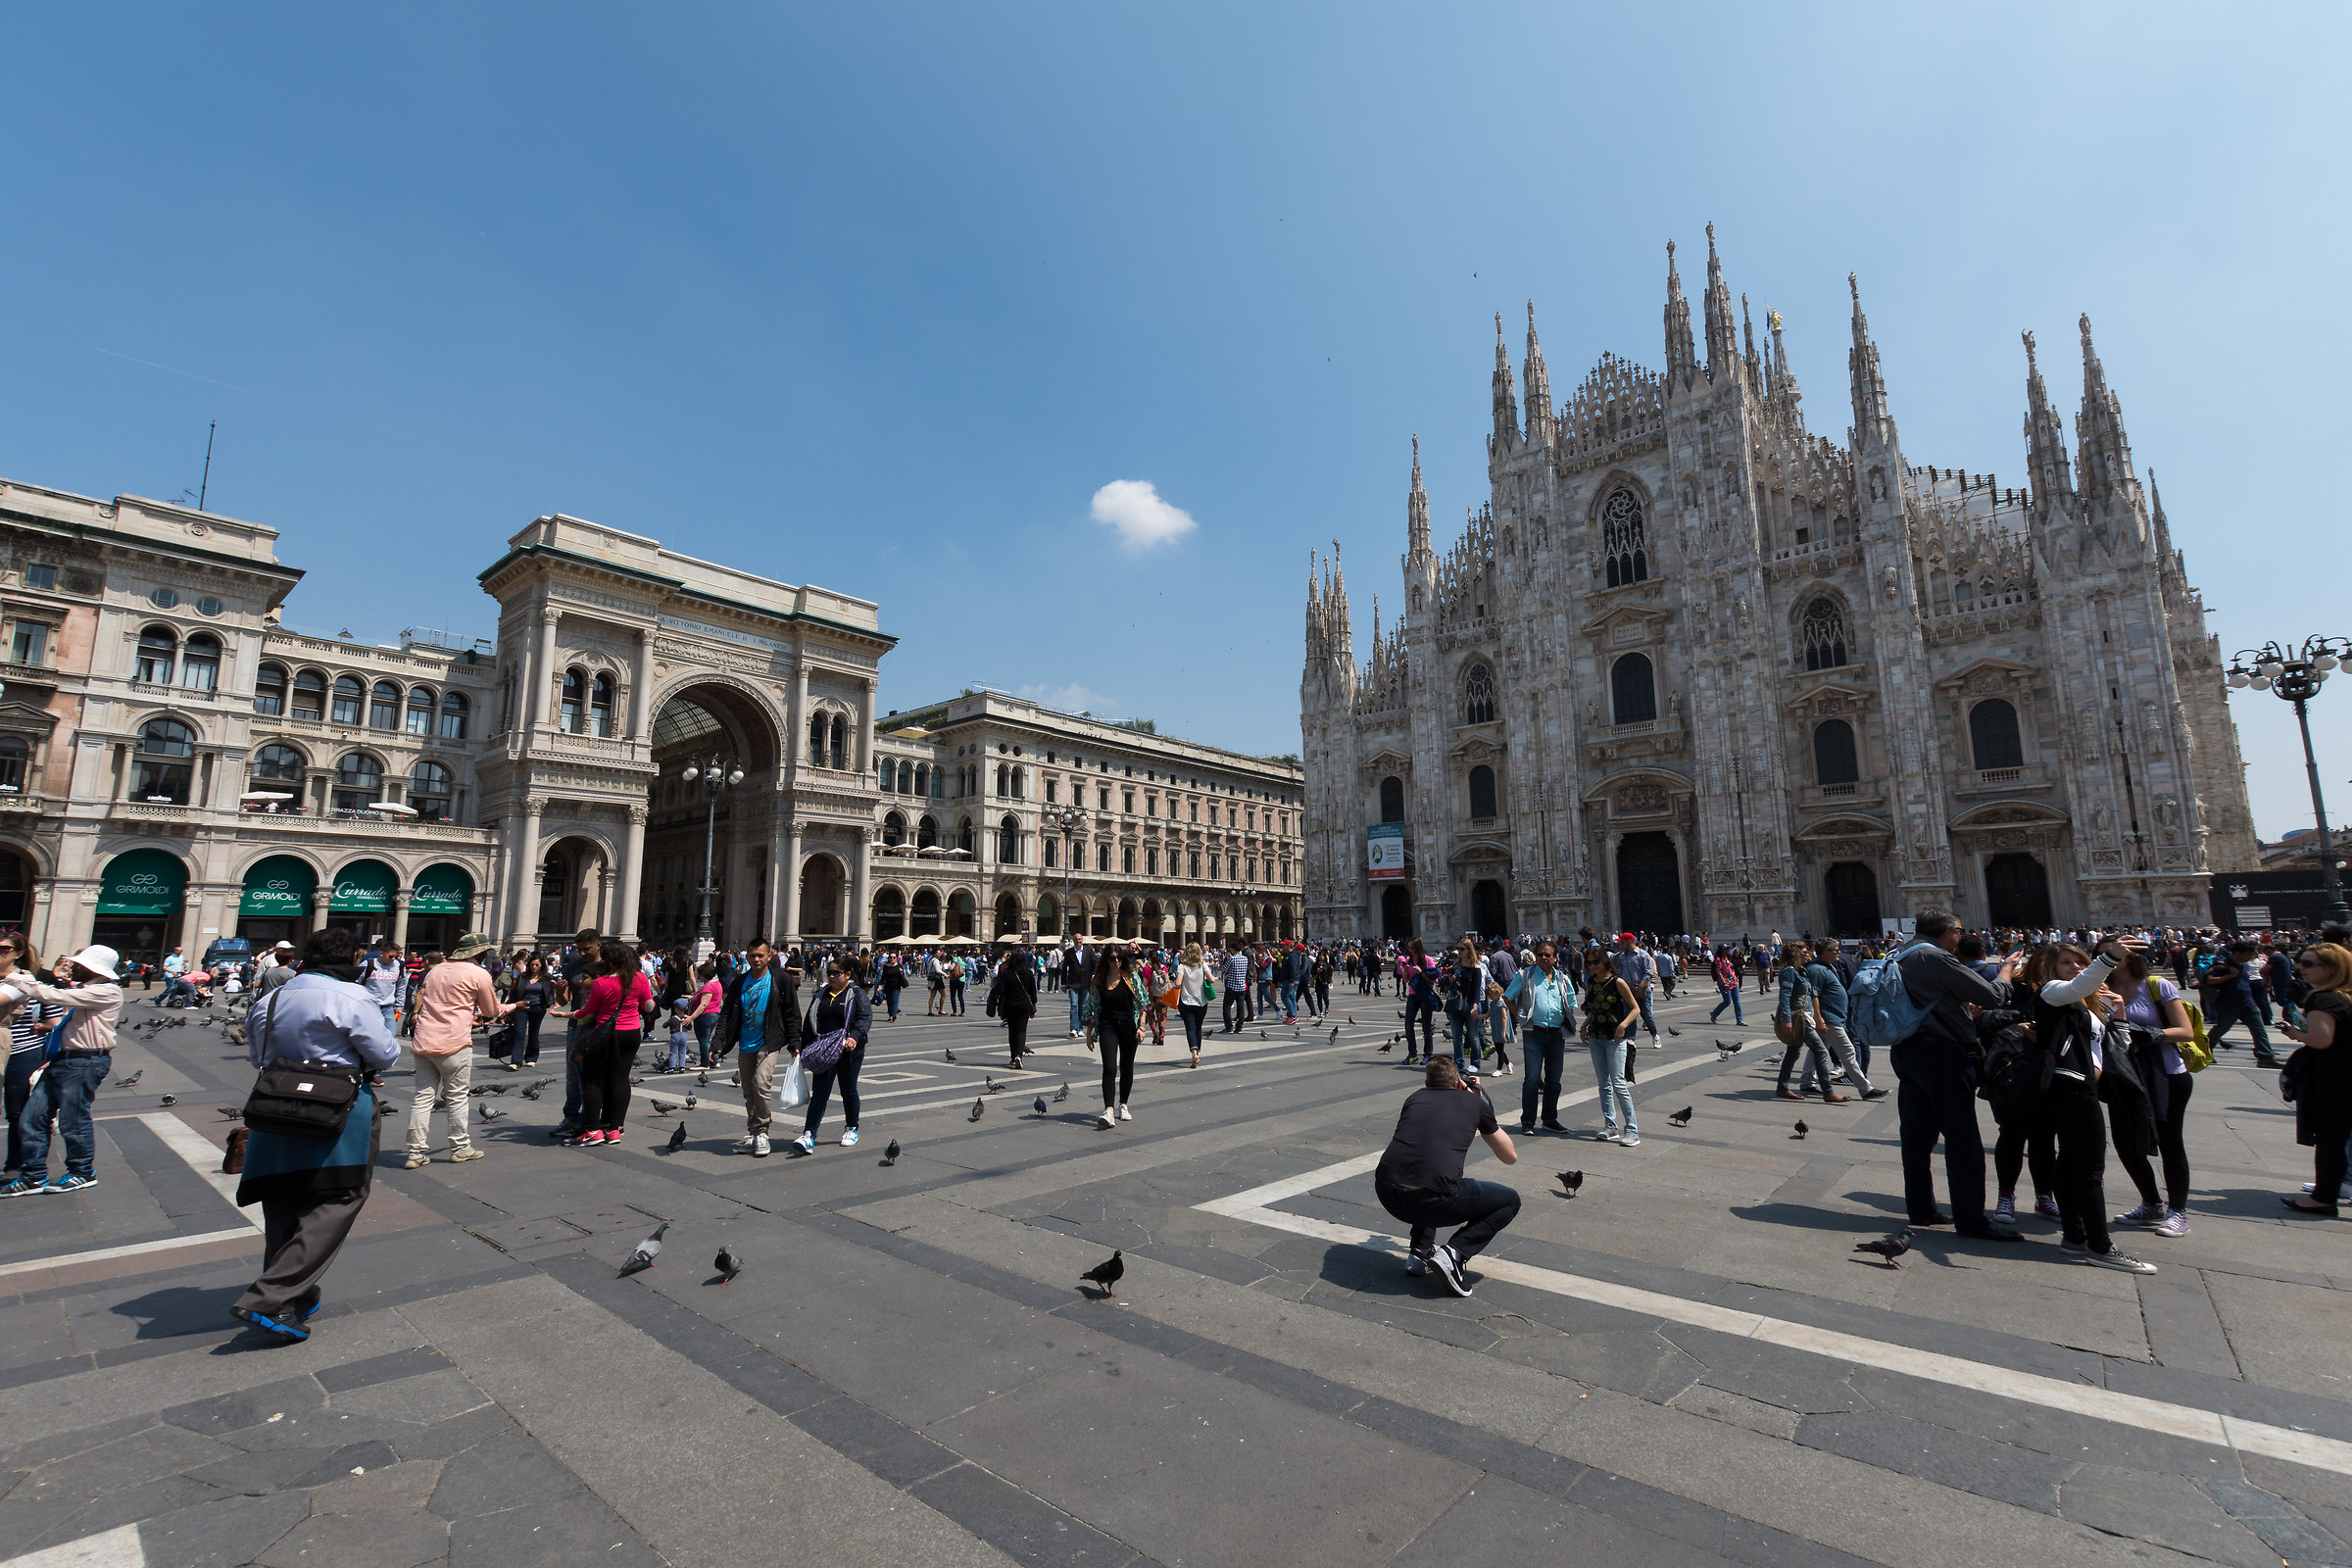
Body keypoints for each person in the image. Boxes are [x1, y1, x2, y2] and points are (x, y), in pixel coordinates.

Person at [208, 927, 403, 1341]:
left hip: (275, 1106)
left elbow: (258, 1056)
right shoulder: (352, 997)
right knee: (338, 1196)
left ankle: (290, 1299)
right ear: (352, 957)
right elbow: (384, 1054)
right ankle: (269, 1295)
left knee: (283, 1196)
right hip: (338, 1108)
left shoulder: (271, 999)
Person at [2024, 941, 2157, 1273]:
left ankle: (2074, 1236)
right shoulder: (2053, 992)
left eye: (2079, 962)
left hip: (2084, 1089)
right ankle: (2101, 1245)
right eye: (2067, 963)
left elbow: (2115, 1049)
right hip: (2071, 1088)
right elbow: (2081, 984)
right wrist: (2110, 957)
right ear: (2050, 969)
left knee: (2070, 1161)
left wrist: (2121, 1014)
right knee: (2090, 1169)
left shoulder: (2083, 1004)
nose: (2076, 968)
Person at [1374, 1055, 1520, 1298]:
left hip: (1387, 1193)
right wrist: (1476, 1104)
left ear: (1426, 1083)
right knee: (1510, 1200)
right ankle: (1455, 1253)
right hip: (1432, 1201)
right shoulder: (1474, 1103)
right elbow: (1509, 1157)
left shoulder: (1415, 1098)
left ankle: (1419, 1252)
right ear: (1458, 1083)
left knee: (1426, 1172)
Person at [1, 945, 124, 1197]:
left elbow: (52, 996)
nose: (71, 967)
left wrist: (15, 978)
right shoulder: (84, 989)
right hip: (63, 1059)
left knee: (73, 1120)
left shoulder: (107, 991)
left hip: (85, 1061)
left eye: (77, 964)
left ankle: (82, 1172)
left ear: (90, 968)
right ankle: (33, 1175)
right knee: (31, 1117)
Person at [402, 936, 514, 1168]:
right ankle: (461, 1147)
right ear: (479, 954)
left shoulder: (435, 970)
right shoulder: (478, 974)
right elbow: (491, 1010)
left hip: (424, 1040)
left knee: (422, 1098)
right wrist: (512, 1006)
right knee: (456, 1098)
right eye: (485, 953)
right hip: (454, 1043)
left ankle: (415, 1153)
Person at [2108, 946, 2195, 1238]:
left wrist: (2149, 1036)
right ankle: (2152, 1203)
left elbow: (2186, 1031)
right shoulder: (2099, 988)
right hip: (2124, 1075)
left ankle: (2178, 1212)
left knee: (2170, 1142)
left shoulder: (2157, 985)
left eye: (2113, 952)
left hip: (2166, 1074)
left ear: (2131, 955)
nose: (2106, 958)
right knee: (2125, 1144)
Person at [2281, 943, 2352, 1215]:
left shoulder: (2324, 999)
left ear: (2332, 970)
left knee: (2331, 1140)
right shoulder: (2346, 997)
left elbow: (2321, 1040)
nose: (2301, 968)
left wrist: (2296, 1034)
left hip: (2335, 1079)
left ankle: (2322, 1198)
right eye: (2300, 962)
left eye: (2309, 964)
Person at [717, 937, 801, 1157]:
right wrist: (719, 1042)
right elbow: (726, 1013)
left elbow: (792, 1012)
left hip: (769, 1041)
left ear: (769, 956)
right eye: (752, 955)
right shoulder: (740, 981)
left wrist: (794, 1041)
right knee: (748, 1092)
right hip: (746, 1042)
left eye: (760, 955)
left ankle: (763, 1130)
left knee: (762, 1083)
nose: (756, 959)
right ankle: (754, 1133)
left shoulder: (781, 980)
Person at [566, 941, 650, 1148]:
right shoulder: (640, 978)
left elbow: (589, 1012)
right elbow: (649, 1005)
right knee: (620, 1079)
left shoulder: (602, 982)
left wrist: (566, 1014)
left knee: (592, 1079)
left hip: (605, 1034)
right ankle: (614, 1129)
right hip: (631, 1032)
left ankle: (594, 1130)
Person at [0, 939, 64, 1185]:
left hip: (24, 1051)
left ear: (18, 953)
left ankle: (19, 1167)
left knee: (21, 1112)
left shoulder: (28, 981)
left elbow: (55, 1020)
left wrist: (51, 1050)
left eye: (4, 948)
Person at [794, 955, 871, 1153]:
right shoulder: (821, 994)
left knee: (848, 1091)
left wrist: (854, 1036)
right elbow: (809, 1022)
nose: (831, 976)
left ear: (847, 974)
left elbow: (864, 1018)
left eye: (836, 973)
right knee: (819, 1094)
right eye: (829, 972)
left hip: (848, 1052)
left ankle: (851, 1128)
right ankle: (809, 1134)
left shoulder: (856, 994)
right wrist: (803, 1049)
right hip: (824, 1051)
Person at [1504, 939, 1575, 1134]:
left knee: (1554, 1080)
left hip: (1556, 1034)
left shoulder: (1562, 978)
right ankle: (1527, 1121)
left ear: (1555, 957)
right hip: (1534, 1034)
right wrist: (1521, 1017)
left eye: (1548, 955)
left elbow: (1570, 1002)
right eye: (1540, 954)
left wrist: (1566, 1022)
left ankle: (1550, 1119)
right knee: (1532, 1079)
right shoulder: (1525, 975)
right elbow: (1507, 997)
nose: (1543, 958)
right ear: (1535, 955)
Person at [1580, 951, 1640, 1145]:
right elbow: (1594, 1009)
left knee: (1619, 1084)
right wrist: (1584, 1025)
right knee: (1603, 1084)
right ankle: (1610, 1125)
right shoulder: (1591, 982)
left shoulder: (1618, 982)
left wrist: (1623, 1025)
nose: (1593, 966)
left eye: (1596, 962)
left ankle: (1632, 1130)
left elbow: (1635, 1008)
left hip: (1615, 1038)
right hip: (1596, 1037)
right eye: (1589, 963)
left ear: (1605, 961)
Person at [1094, 948, 1143, 1128]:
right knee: (1109, 1067)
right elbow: (1092, 1007)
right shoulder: (1099, 980)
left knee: (1126, 1067)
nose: (1117, 962)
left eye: (1120, 958)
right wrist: (1090, 1033)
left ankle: (1123, 1104)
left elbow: (1142, 1003)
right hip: (1108, 1026)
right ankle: (1109, 1110)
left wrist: (1142, 1027)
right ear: (1106, 960)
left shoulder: (1131, 978)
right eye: (1113, 958)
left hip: (1129, 1026)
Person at [990, 946, 1039, 1067]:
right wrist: (1035, 1008)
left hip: (1010, 1006)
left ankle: (1013, 1057)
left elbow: (1000, 990)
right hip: (1024, 1006)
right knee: (1022, 1031)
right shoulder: (1028, 973)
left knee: (1012, 1031)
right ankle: (1019, 1055)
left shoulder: (1007, 973)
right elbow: (1033, 993)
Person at [1175, 941, 1212, 1067]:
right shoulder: (1203, 965)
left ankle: (1194, 1052)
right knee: (1198, 1027)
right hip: (1201, 1002)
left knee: (1190, 1027)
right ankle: (1198, 1053)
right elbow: (1212, 979)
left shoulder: (1182, 966)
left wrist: (1185, 983)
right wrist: (1204, 979)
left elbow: (1178, 984)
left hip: (1186, 1002)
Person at [1708, 945, 1744, 1026]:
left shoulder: (1730, 958)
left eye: (1728, 949)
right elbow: (1719, 972)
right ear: (1721, 950)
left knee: (1737, 1002)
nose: (1727, 950)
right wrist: (1724, 983)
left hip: (1734, 982)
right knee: (1727, 1001)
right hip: (1724, 983)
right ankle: (1714, 1014)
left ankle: (1740, 1020)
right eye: (1725, 949)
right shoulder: (1718, 960)